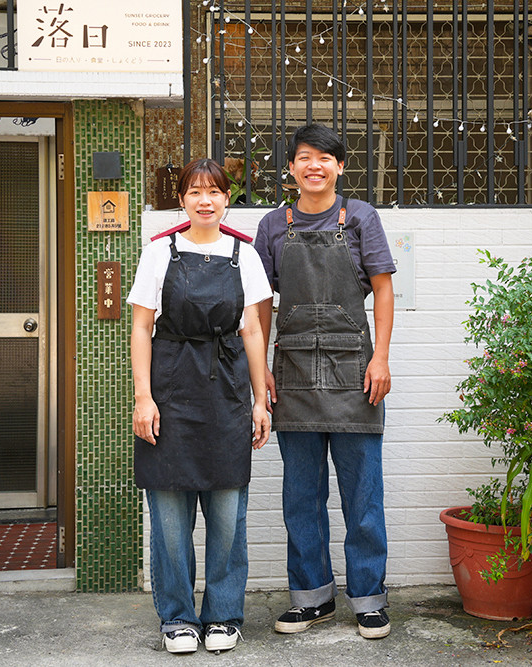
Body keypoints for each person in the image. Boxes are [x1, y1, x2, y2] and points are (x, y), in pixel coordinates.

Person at [254, 124, 396, 639]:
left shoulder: (360, 217)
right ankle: (311, 599)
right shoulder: (272, 225)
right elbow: (261, 302)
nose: (314, 166)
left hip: (355, 373)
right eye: (304, 158)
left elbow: (382, 291)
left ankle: (368, 599)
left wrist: (380, 357)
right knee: (301, 496)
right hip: (290, 373)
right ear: (290, 168)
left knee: (363, 495)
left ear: (340, 166)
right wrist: (260, 369)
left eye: (325, 158)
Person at [128, 158, 272, 655]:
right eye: (195, 191)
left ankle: (224, 616)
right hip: (169, 390)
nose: (205, 200)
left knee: (228, 515)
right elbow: (141, 328)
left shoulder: (244, 255)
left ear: (226, 199)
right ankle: (177, 618)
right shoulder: (159, 253)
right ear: (182, 199)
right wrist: (143, 398)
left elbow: (252, 330)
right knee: (169, 517)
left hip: (227, 392)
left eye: (214, 191)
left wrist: (260, 400)